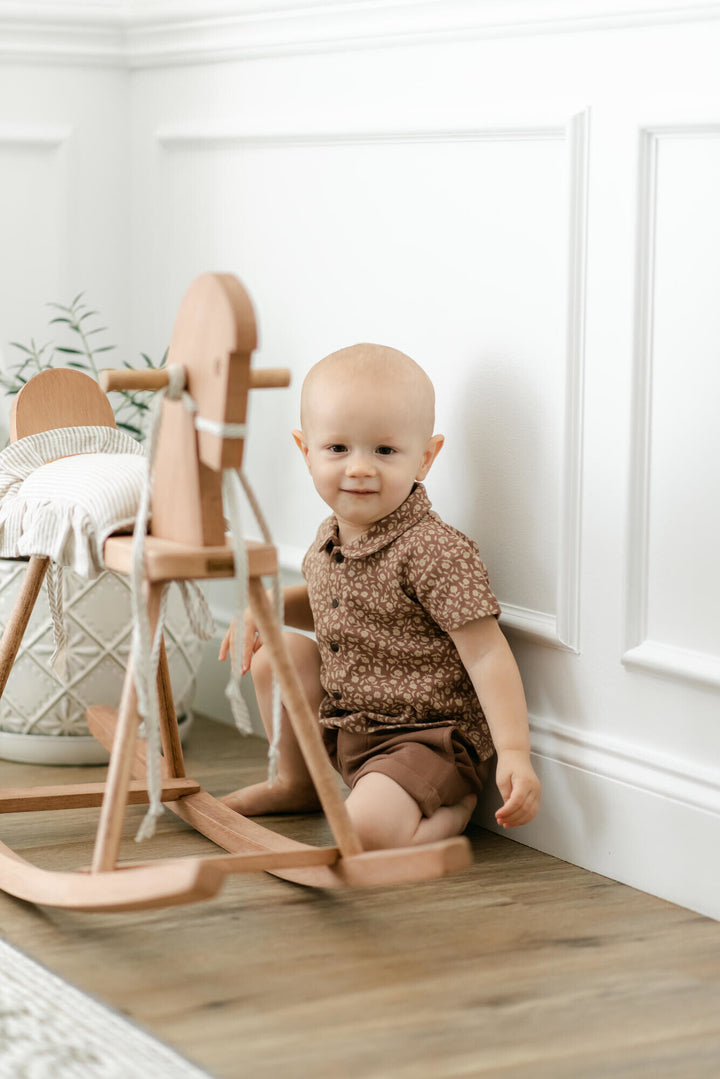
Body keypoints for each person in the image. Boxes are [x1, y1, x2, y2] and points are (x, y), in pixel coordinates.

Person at [219, 343, 541, 850]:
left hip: (424, 742)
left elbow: (485, 652)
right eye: (338, 448)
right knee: (273, 655)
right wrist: (266, 607)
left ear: (425, 457)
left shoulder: (435, 550)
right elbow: (333, 602)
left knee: (361, 833)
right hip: (348, 726)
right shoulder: (331, 536)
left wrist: (515, 752)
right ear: (306, 452)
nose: (360, 468)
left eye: (385, 451)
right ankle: (297, 782)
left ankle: (449, 815)